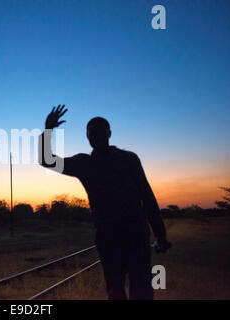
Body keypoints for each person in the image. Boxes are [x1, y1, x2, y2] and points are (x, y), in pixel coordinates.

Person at [38, 105, 171, 300]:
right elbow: (148, 198)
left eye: (93, 132)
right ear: (109, 133)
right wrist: (161, 235)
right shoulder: (129, 159)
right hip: (136, 234)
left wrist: (48, 129)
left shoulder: (85, 164)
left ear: (88, 137)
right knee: (141, 287)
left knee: (115, 288)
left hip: (108, 237)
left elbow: (46, 160)